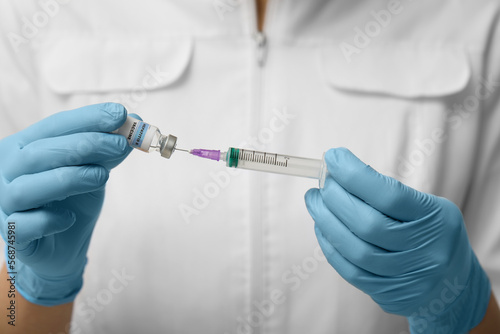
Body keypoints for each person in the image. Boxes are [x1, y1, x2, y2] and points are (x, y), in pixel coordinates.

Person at [0, 0, 499, 333]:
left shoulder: (478, 19)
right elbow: (10, 313)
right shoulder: (32, 15)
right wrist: (35, 287)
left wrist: (459, 306)